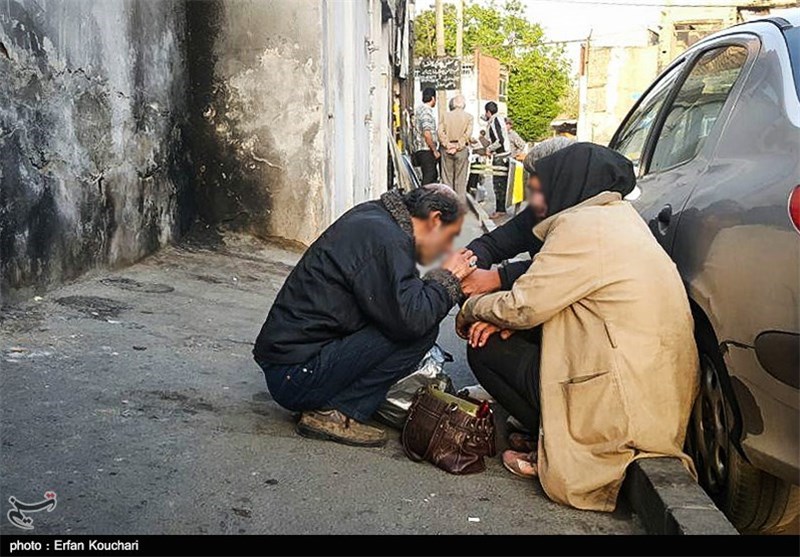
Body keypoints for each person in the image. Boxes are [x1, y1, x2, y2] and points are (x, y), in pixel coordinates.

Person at [457, 142, 699, 512]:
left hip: (621, 403)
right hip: (648, 389)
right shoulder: (616, 216)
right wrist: (499, 312)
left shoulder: (581, 226)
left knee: (483, 348)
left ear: (565, 182)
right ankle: (548, 430)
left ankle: (558, 443)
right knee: (502, 327)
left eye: (542, 185)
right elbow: (534, 290)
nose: (537, 195)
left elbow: (524, 305)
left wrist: (474, 310)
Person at [254, 185, 475, 448]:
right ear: (436, 219)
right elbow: (412, 319)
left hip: (290, 364)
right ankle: (337, 412)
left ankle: (338, 402)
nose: (445, 247)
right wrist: (447, 279)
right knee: (421, 332)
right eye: (448, 237)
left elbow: (399, 298)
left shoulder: (377, 216)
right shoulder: (388, 240)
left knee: (412, 318)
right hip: (296, 376)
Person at [462, 136, 575, 297]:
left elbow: (563, 271)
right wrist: (470, 264)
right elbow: (494, 243)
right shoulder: (539, 211)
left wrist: (499, 277)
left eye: (539, 178)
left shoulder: (590, 220)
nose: (531, 186)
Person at [438, 94, 473, 200]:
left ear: (453, 104)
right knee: (460, 180)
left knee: (446, 178)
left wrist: (447, 145)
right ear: (464, 105)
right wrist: (458, 146)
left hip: (446, 149)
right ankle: (459, 206)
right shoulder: (469, 117)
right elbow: (467, 134)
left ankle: (448, 204)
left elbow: (440, 132)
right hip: (461, 150)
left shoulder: (445, 115)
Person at [483, 101, 510, 218]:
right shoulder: (500, 119)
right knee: (502, 183)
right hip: (505, 155)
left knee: (498, 183)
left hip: (500, 156)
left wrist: (489, 149)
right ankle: (501, 208)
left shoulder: (494, 121)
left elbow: (500, 140)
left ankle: (500, 209)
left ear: (489, 112)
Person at [414, 87, 440, 184]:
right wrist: (434, 150)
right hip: (426, 150)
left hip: (419, 150)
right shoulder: (426, 112)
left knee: (428, 177)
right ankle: (424, 198)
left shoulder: (418, 110)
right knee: (429, 178)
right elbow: (427, 133)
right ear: (433, 98)